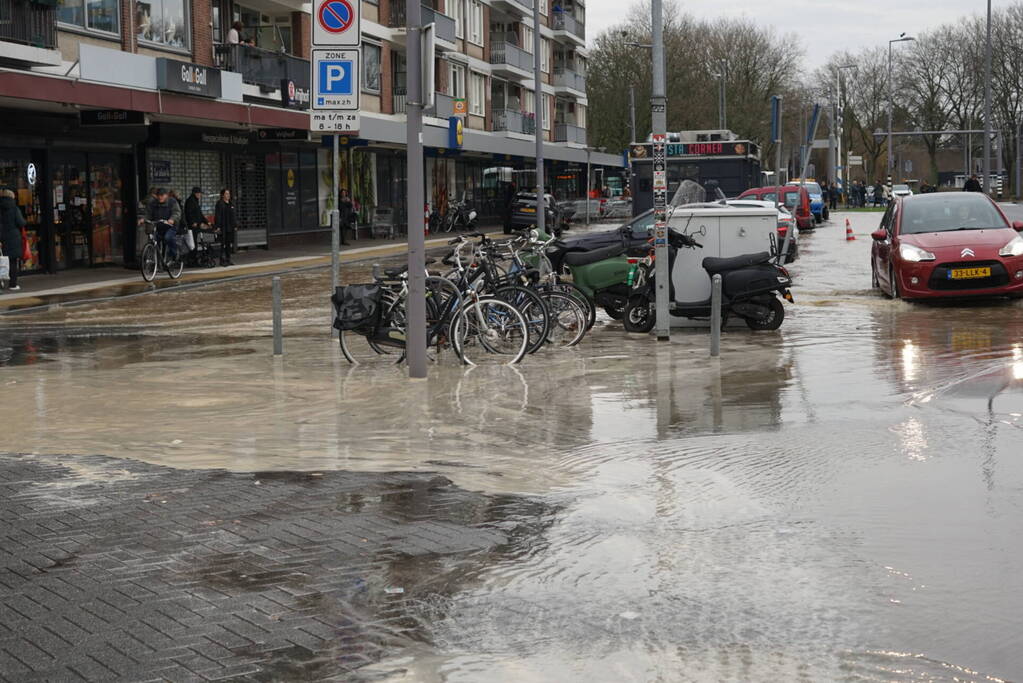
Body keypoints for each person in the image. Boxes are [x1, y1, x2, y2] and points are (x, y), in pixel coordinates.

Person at [0, 187, 26, 291]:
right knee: (13, 261)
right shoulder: (15, 208)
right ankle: (13, 284)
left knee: (1, 260)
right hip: (13, 237)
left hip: (2, 237)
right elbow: (21, 222)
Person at [146, 187, 182, 262]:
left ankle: (175, 253)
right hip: (159, 226)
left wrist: (172, 219)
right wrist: (144, 219)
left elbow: (177, 212)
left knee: (167, 238)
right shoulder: (153, 203)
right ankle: (158, 263)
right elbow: (149, 214)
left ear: (166, 195)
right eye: (158, 195)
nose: (160, 197)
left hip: (171, 226)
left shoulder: (172, 201)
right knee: (154, 241)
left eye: (162, 195)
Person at [214, 188, 237, 266]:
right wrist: (217, 226)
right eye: (226, 194)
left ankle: (228, 259)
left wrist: (235, 225)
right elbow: (217, 216)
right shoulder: (219, 203)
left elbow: (234, 216)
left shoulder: (231, 204)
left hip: (230, 227)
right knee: (222, 244)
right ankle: (222, 260)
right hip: (223, 227)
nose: (228, 195)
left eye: (229, 194)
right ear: (222, 195)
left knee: (228, 244)